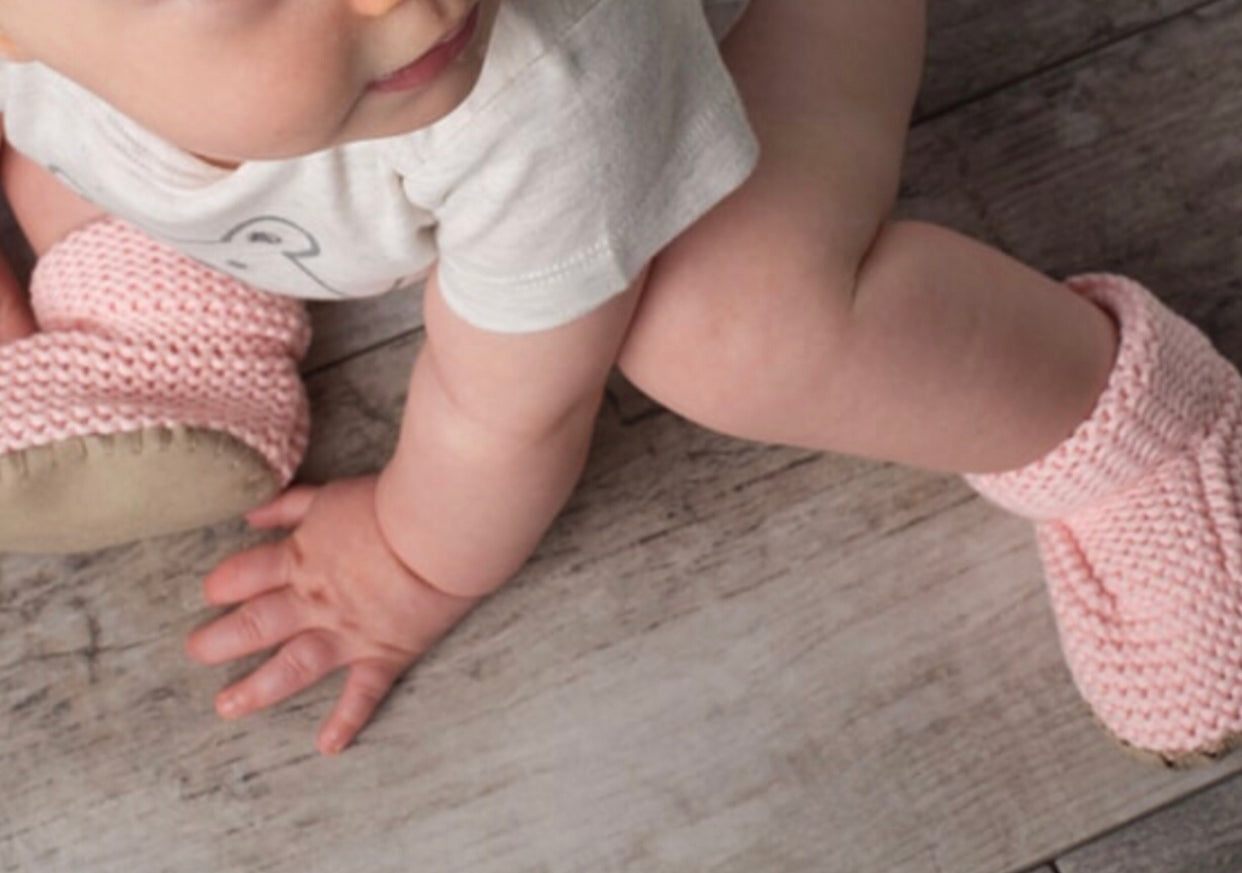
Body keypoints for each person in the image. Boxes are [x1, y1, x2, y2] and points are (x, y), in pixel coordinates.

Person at [0, 0, 1238, 766]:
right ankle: (161, 303)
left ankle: (1130, 425)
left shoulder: (534, 74)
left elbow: (509, 402)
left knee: (731, 325)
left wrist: (412, 556)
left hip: (751, 32)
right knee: (71, 140)